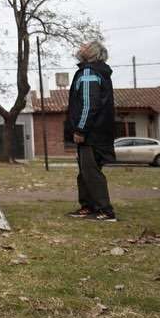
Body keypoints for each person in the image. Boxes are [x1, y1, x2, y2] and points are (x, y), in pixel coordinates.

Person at [65, 41, 117, 222]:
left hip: (91, 134)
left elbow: (89, 105)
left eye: (85, 46)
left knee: (91, 172)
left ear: (92, 53)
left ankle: (105, 211)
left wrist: (80, 129)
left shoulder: (88, 72)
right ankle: (87, 206)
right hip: (99, 132)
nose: (80, 47)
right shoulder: (98, 72)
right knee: (85, 172)